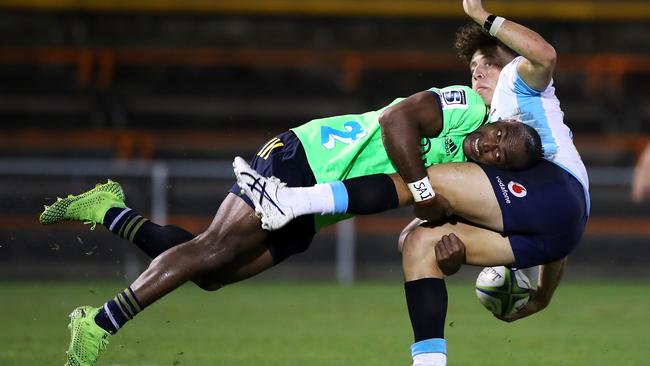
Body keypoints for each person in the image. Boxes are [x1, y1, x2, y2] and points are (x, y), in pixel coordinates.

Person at [40, 83, 543, 366]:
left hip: (318, 210)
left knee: (212, 272)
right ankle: (99, 323)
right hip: (307, 158)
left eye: (502, 155)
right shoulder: (469, 108)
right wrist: (426, 192)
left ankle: (107, 210)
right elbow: (396, 122)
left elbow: (429, 232)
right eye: (499, 135)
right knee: (213, 248)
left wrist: (451, 258)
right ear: (496, 120)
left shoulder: (471, 178)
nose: (492, 145)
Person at [235, 1, 590, 365]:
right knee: (420, 246)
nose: (478, 73)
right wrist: (541, 293)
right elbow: (555, 223)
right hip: (556, 233)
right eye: (473, 67)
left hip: (562, 196)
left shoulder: (519, 82)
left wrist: (483, 16)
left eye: (487, 63)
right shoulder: (491, 137)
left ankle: (294, 201)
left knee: (426, 181)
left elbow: (545, 55)